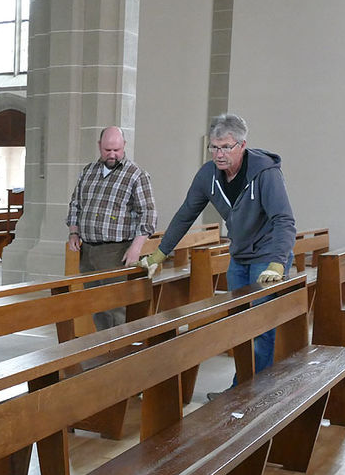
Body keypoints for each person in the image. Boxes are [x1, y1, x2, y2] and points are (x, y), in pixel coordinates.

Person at [140, 113, 295, 395]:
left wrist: (277, 263)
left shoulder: (265, 173)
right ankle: (241, 389)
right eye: (214, 147)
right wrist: (158, 255)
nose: (219, 154)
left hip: (268, 256)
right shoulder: (208, 175)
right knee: (237, 324)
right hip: (240, 255)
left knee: (260, 327)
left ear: (242, 145)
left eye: (226, 147)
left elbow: (284, 220)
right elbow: (185, 215)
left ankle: (251, 395)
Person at [66, 126, 157, 329]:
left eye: (116, 149)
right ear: (99, 146)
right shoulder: (88, 171)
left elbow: (149, 215)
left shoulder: (136, 175)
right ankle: (104, 350)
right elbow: (75, 204)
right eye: (107, 150)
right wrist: (74, 231)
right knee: (95, 303)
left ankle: (118, 353)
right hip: (88, 249)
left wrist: (136, 247)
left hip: (115, 251)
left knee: (115, 306)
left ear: (124, 146)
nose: (112, 154)